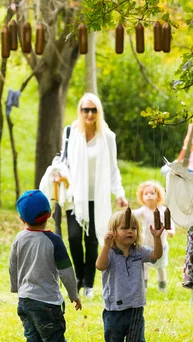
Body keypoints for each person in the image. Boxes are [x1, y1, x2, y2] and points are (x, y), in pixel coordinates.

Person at [9, 189, 83, 342]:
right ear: (50, 213)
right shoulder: (54, 241)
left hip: (25, 302)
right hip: (48, 304)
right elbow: (66, 271)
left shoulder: (19, 239)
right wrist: (73, 294)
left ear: (22, 218)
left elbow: (12, 266)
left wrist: (17, 288)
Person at [64, 93, 128, 299]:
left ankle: (89, 283)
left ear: (98, 111)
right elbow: (64, 162)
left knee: (92, 241)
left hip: (96, 198)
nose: (89, 114)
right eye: (85, 110)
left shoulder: (107, 137)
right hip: (75, 197)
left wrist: (119, 193)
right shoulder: (70, 132)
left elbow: (113, 169)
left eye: (93, 110)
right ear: (80, 111)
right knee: (74, 238)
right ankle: (79, 277)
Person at [95, 210, 163, 342]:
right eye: (125, 228)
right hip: (114, 309)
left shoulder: (138, 251)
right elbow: (100, 266)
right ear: (113, 232)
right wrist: (105, 246)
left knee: (137, 341)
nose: (130, 231)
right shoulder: (109, 252)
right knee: (113, 341)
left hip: (135, 306)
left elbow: (156, 256)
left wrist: (156, 237)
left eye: (133, 227)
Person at [133, 180, 175, 292]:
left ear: (159, 195)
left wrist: (171, 230)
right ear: (142, 197)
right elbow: (133, 214)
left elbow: (170, 222)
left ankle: (162, 287)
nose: (149, 195)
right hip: (146, 244)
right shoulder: (143, 211)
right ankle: (144, 287)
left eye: (152, 193)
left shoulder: (163, 210)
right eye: (146, 194)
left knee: (160, 267)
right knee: (144, 266)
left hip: (161, 245)